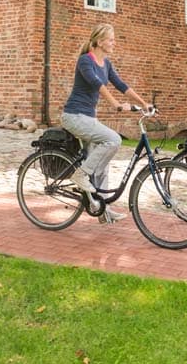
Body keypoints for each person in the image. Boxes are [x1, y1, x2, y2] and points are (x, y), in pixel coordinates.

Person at [62, 24, 151, 223]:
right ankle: (81, 175)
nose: (114, 43)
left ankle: (102, 210)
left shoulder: (106, 63)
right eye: (111, 39)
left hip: (88, 118)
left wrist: (144, 103)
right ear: (100, 42)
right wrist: (116, 105)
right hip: (74, 116)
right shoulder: (86, 60)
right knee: (113, 139)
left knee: (102, 165)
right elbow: (97, 84)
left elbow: (120, 84)